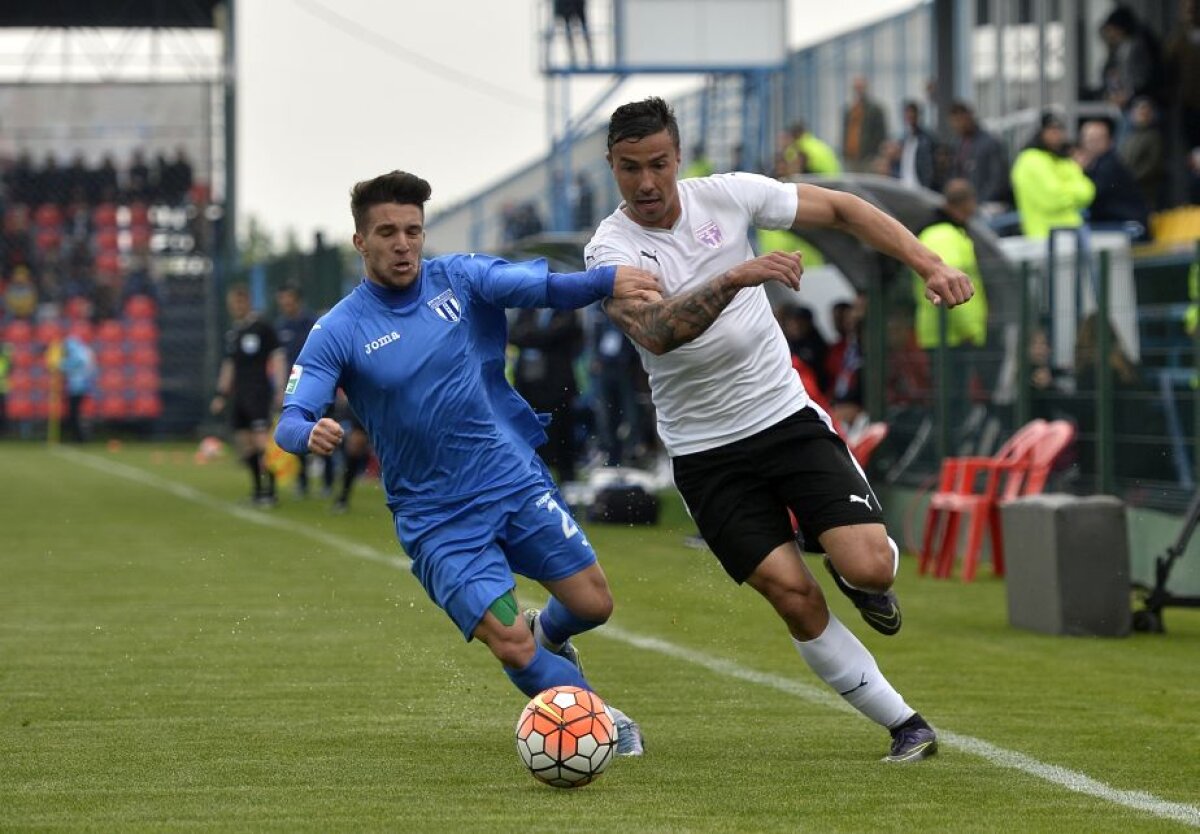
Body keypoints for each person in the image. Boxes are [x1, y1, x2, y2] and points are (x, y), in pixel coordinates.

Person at [586, 97, 974, 763]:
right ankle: (906, 725)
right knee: (792, 595)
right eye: (629, 169)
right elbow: (656, 332)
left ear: (677, 158)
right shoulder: (611, 247)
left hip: (783, 418)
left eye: (657, 165)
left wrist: (927, 264)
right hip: (707, 455)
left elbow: (846, 210)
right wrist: (738, 275)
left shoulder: (730, 195)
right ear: (612, 168)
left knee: (871, 567)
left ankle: (859, 577)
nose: (646, 183)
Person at [274, 170, 659, 755]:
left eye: (412, 230)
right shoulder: (339, 329)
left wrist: (610, 279)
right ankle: (596, 720)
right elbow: (291, 417)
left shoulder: (460, 278)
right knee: (508, 640)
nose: (403, 244)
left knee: (592, 604)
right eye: (387, 232)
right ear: (361, 242)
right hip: (438, 520)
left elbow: (547, 290)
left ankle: (550, 635)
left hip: (510, 480)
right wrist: (309, 431)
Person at [914, 179, 990, 435]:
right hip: (952, 335)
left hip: (943, 332)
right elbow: (952, 286)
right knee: (953, 407)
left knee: (948, 403)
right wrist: (970, 329)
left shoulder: (938, 232)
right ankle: (948, 456)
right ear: (966, 204)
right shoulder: (945, 235)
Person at [211, 284, 286, 506]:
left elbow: (278, 357)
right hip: (240, 394)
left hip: (259, 392)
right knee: (245, 444)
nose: (235, 307)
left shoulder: (263, 328)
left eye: (239, 302)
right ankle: (257, 490)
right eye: (232, 304)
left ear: (247, 301)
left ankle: (270, 491)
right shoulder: (234, 333)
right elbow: (229, 365)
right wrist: (221, 394)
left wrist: (281, 388)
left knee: (262, 441)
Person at [510, 307, 585, 484]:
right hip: (529, 384)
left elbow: (558, 335)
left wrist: (531, 336)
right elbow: (513, 335)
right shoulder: (526, 310)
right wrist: (539, 335)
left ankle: (567, 477)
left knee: (562, 431)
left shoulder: (565, 311)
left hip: (557, 385)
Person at [275, 282, 329, 498]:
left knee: (324, 429)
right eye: (283, 300)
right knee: (297, 430)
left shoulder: (313, 322)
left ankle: (327, 481)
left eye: (289, 299)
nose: (286, 304)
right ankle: (303, 480)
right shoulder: (281, 326)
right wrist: (280, 387)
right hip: (294, 385)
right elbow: (280, 358)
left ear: (297, 300)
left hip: (318, 382)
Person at [1010, 112, 1095, 240]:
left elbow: (1089, 191)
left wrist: (1065, 190)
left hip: (1073, 234)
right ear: (1041, 132)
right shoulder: (1030, 159)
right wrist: (1074, 193)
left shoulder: (1062, 159)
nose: (1057, 135)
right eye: (1051, 130)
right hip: (1044, 239)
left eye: (1060, 130)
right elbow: (1053, 198)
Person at [1075, 119, 1150, 237]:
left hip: (1129, 226)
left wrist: (1076, 171)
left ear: (1109, 141)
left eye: (1097, 140)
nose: (1092, 144)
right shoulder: (1096, 164)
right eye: (1088, 139)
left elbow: (1091, 193)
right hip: (1113, 225)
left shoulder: (1110, 164)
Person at [946, 101, 1010, 211]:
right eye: (954, 122)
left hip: (987, 206)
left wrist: (979, 201)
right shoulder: (957, 144)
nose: (957, 125)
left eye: (959, 120)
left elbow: (998, 178)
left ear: (968, 117)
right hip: (964, 207)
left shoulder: (990, 142)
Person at [1118, 97, 1165, 212]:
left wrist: (1131, 178)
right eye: (1138, 112)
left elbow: (1152, 165)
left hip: (1144, 188)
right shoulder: (1129, 135)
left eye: (1145, 112)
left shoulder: (1154, 136)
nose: (1141, 115)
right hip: (1128, 187)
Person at [841, 76, 889, 174]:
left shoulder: (875, 110)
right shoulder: (850, 110)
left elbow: (881, 134)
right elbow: (846, 132)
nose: (858, 91)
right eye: (856, 87)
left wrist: (877, 155)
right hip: (851, 157)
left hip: (868, 159)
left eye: (860, 87)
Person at [59, 334, 97, 442]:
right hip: (78, 386)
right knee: (74, 413)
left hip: (78, 387)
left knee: (74, 413)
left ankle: (79, 437)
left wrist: (61, 365)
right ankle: (79, 436)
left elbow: (74, 365)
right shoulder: (84, 351)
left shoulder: (78, 354)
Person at [897, 100, 938, 191]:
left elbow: (928, 166)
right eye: (908, 114)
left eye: (912, 114)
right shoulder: (905, 138)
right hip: (905, 185)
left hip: (919, 186)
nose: (910, 117)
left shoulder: (926, 139)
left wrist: (926, 185)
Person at [553, 0, 593, 67]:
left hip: (574, 5)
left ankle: (589, 55)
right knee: (570, 31)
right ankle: (574, 56)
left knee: (582, 29)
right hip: (567, 6)